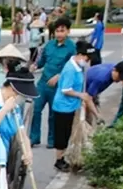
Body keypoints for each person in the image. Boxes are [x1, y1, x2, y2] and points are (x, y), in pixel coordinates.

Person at [29, 17, 75, 148]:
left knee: (53, 114)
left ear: (68, 32)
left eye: (62, 31)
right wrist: (35, 66)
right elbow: (42, 61)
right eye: (57, 31)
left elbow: (72, 67)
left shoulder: (71, 48)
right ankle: (34, 137)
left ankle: (52, 139)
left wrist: (59, 76)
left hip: (58, 86)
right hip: (43, 83)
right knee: (36, 110)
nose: (59, 34)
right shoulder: (49, 45)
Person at [52, 41, 93, 172]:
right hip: (62, 107)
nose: (87, 61)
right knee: (62, 134)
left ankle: (63, 157)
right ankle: (59, 160)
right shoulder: (70, 69)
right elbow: (65, 89)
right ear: (80, 55)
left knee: (68, 132)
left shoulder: (78, 67)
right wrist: (81, 95)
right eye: (86, 58)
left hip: (71, 106)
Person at [0, 65, 39, 153]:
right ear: (12, 89)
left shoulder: (15, 108)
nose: (22, 98)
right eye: (22, 95)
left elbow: (21, 133)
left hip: (4, 155)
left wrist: (28, 152)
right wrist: (5, 109)